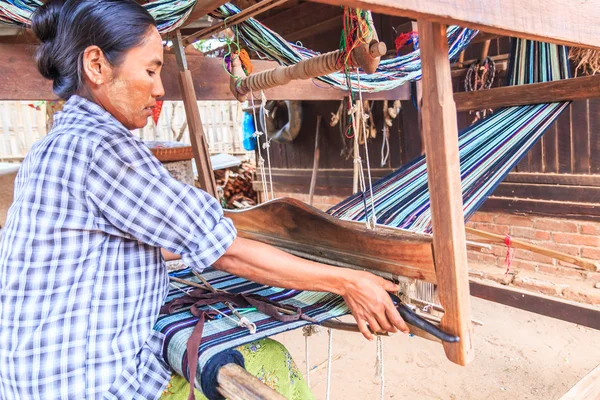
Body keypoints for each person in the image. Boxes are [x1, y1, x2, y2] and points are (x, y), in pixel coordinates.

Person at [0, 1, 408, 399]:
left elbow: (104, 244)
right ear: (96, 65)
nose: (159, 88)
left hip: (30, 376)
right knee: (267, 359)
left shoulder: (54, 145)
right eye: (150, 70)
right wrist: (348, 280)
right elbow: (226, 253)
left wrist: (188, 249)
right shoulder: (102, 149)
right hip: (87, 383)